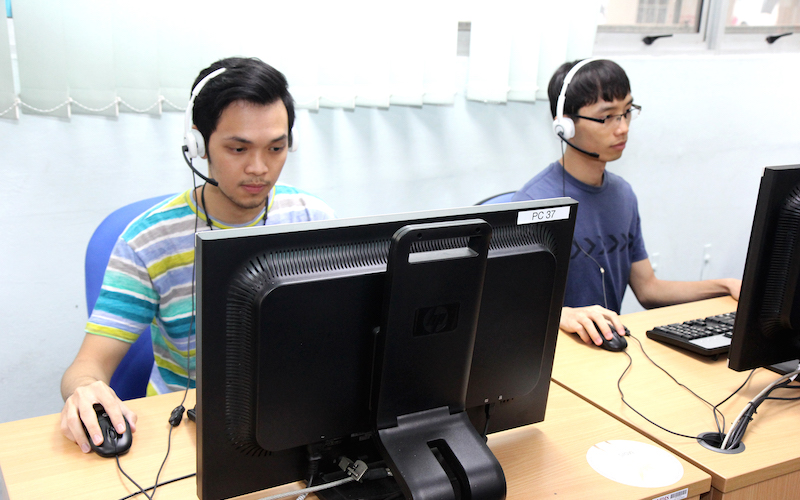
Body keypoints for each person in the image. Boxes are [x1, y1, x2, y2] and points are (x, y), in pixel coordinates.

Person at [60, 57, 335, 453]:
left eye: (276, 148)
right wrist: (84, 391)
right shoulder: (148, 240)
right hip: (184, 426)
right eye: (238, 148)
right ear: (198, 145)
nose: (259, 168)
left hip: (289, 415)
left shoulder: (313, 220)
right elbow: (87, 365)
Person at [511, 58, 740, 348]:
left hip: (610, 347)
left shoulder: (622, 195)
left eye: (627, 112)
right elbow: (510, 308)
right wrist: (562, 314)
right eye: (607, 116)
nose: (623, 128)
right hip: (557, 353)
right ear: (565, 126)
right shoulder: (533, 204)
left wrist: (725, 286)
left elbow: (648, 289)